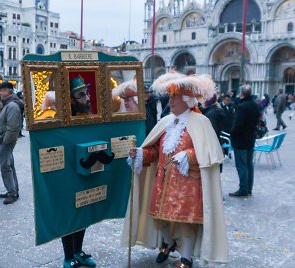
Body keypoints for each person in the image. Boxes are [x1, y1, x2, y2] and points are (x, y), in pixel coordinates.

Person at [123, 73, 228, 268]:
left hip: (187, 184)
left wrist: (188, 156)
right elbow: (155, 151)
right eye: (170, 96)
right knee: (158, 218)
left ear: (186, 99)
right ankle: (168, 243)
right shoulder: (166, 122)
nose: (170, 101)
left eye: (174, 97)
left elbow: (209, 153)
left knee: (185, 223)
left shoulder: (201, 122)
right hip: (162, 181)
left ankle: (186, 258)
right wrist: (140, 154)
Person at [61, 77, 97, 268]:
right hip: (67, 171)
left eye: (87, 93)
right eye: (81, 95)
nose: (87, 98)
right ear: (72, 99)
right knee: (69, 212)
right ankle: (68, 256)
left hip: (85, 168)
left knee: (83, 210)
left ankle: (78, 250)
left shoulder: (90, 115)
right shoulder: (63, 117)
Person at [0, 82, 24, 205]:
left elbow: (12, 127)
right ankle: (13, 190)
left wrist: (5, 141)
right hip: (4, 140)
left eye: (1, 91)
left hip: (6, 141)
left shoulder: (11, 105)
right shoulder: (9, 104)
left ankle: (12, 192)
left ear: (7, 91)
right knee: (9, 165)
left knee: (5, 167)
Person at [229, 85, 260, 197]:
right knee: (249, 165)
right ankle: (248, 188)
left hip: (240, 141)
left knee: (242, 166)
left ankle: (243, 189)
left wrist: (231, 132)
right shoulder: (255, 105)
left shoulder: (242, 107)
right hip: (250, 139)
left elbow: (237, 125)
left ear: (241, 93)